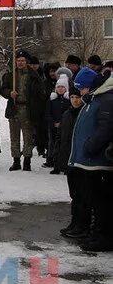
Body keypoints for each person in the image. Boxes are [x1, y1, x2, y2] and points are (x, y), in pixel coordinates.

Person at [69, 73, 113, 252]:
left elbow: (106, 128)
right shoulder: (94, 98)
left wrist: (89, 147)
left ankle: (104, 237)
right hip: (88, 161)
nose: (80, 91)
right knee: (94, 200)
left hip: (98, 161)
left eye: (82, 87)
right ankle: (95, 233)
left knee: (102, 203)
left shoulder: (106, 100)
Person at [1, 50, 45, 172]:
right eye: (18, 60)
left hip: (28, 109)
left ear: (27, 62)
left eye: (22, 61)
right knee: (14, 136)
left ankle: (27, 160)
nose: (20, 63)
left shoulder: (33, 76)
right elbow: (3, 90)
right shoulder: (11, 75)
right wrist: (9, 93)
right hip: (14, 108)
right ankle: (16, 160)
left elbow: (40, 94)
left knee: (28, 137)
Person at [58, 87, 88, 238]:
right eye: (72, 97)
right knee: (73, 193)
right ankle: (74, 222)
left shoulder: (85, 113)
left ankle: (81, 224)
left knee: (81, 194)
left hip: (80, 160)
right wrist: (58, 157)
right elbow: (61, 136)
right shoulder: (67, 114)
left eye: (78, 97)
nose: (75, 100)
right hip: (68, 157)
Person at [46, 74, 71, 174]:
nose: (60, 89)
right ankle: (55, 165)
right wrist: (53, 123)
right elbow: (48, 113)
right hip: (54, 127)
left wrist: (63, 124)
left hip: (65, 128)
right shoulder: (52, 100)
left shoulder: (68, 101)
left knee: (65, 147)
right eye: (58, 87)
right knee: (54, 146)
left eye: (62, 87)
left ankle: (65, 166)